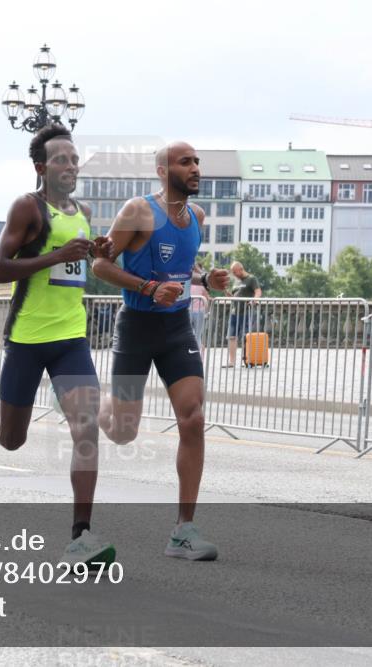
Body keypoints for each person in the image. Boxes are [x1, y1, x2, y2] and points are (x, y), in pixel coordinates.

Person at [0, 124, 115, 566]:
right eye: (61, 159)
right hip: (26, 339)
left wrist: (100, 254)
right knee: (11, 439)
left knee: (86, 428)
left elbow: (80, 268)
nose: (71, 165)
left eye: (75, 159)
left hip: (71, 339)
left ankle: (82, 535)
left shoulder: (81, 211)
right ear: (41, 167)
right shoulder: (28, 207)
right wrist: (57, 257)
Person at [91, 141, 229, 561]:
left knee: (193, 417)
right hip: (136, 326)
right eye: (185, 162)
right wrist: (149, 288)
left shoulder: (197, 217)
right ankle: (86, 402)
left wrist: (207, 279)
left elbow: (183, 267)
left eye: (197, 162)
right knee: (123, 432)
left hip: (177, 328)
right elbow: (100, 265)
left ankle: (183, 530)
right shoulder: (138, 211)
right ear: (161, 169)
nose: (195, 168)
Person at [224, 261, 262, 368]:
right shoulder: (236, 281)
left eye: (235, 272)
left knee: (246, 336)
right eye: (233, 273)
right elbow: (234, 297)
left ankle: (247, 360)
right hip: (234, 311)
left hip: (246, 311)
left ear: (241, 269)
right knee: (231, 336)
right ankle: (231, 362)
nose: (234, 275)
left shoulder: (251, 279)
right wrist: (227, 294)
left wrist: (254, 300)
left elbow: (258, 291)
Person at [189, 264, 210, 357]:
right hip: (189, 310)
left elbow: (206, 298)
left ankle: (196, 356)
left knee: (197, 334)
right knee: (191, 334)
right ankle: (192, 355)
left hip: (198, 311)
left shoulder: (201, 284)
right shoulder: (189, 281)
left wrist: (206, 312)